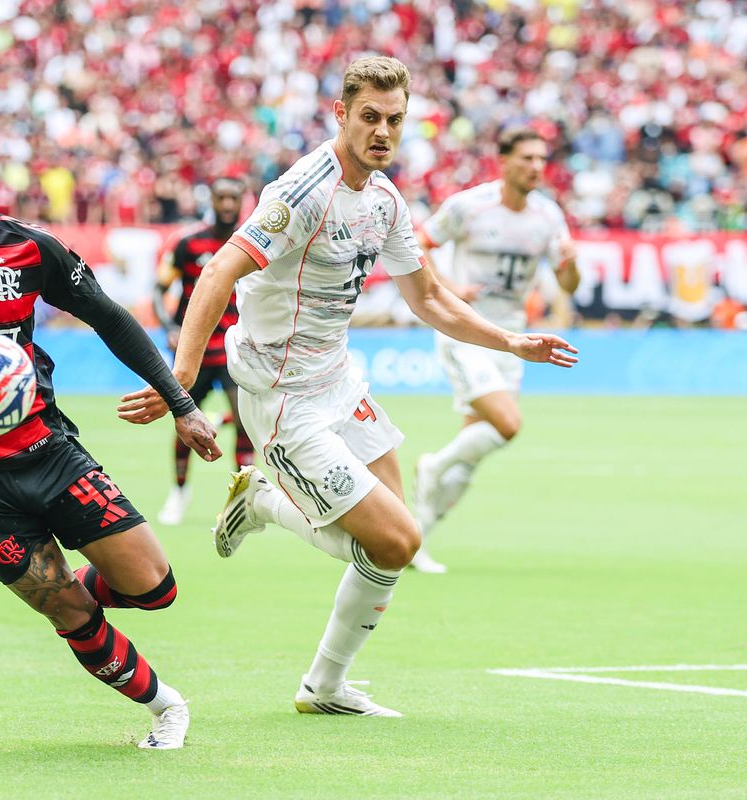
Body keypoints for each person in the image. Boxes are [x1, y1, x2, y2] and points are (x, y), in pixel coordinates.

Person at [117, 57, 577, 716]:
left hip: (338, 377)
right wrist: (181, 377)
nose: (382, 131)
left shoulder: (385, 200)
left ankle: (324, 687)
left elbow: (429, 298)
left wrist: (510, 341)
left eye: (394, 119)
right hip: (281, 398)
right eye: (369, 117)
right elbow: (218, 270)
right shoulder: (303, 191)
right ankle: (268, 503)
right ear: (341, 114)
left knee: (395, 537)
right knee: (394, 542)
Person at [0, 111, 221, 750]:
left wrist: (182, 402)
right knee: (71, 613)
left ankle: (59, 585)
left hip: (46, 450)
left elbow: (110, 318)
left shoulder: (30, 247)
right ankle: (168, 707)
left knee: (155, 588)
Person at [410, 127, 580, 573]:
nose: (535, 167)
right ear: (503, 161)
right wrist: (449, 287)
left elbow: (568, 284)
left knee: (473, 449)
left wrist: (571, 261)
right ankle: (430, 465)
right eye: (526, 158)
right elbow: (420, 245)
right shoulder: (469, 205)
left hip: (515, 340)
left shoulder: (548, 215)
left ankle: (416, 539)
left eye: (542, 159)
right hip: (466, 330)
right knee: (507, 424)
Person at [153, 177, 255, 525]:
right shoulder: (188, 242)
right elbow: (159, 288)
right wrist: (169, 327)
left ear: (242, 199)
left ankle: (242, 502)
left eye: (233, 197)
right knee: (184, 423)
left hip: (233, 351)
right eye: (221, 197)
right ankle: (179, 493)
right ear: (212, 199)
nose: (227, 204)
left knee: (246, 422)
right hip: (192, 353)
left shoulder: (254, 241)